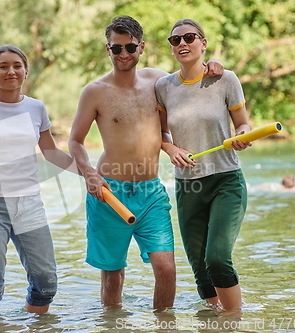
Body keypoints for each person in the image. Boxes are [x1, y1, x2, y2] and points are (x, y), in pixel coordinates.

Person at [68, 15, 224, 311]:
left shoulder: (159, 82)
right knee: (113, 277)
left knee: (166, 269)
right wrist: (88, 173)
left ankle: (164, 327)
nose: (123, 54)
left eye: (130, 47)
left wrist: (213, 65)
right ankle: (112, 327)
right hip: (109, 193)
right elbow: (75, 140)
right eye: (116, 48)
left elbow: (190, 81)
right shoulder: (94, 91)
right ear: (108, 49)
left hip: (151, 192)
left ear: (141, 47)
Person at [0, 45, 76, 316]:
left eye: (17, 65)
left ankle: (35, 324)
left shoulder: (36, 107)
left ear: (25, 72)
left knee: (46, 282)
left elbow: (51, 153)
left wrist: (92, 172)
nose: (10, 71)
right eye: (3, 66)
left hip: (29, 203)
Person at [155, 19, 252, 313]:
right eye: (175, 40)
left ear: (203, 43)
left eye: (189, 37)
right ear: (171, 48)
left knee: (218, 259)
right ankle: (214, 321)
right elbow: (159, 134)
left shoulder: (225, 79)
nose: (182, 43)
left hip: (225, 179)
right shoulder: (163, 86)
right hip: (188, 185)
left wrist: (243, 135)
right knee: (201, 270)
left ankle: (235, 322)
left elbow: (243, 123)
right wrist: (170, 148)